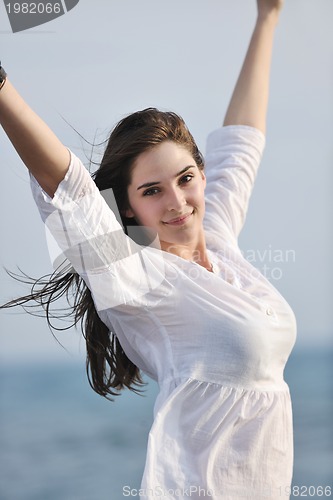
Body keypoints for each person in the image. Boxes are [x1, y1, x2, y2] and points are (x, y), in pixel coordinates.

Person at [0, 0, 297, 498]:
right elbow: (66, 185)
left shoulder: (219, 240)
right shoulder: (139, 278)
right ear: (130, 209)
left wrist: (268, 15)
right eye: (152, 191)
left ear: (202, 176)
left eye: (185, 179)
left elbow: (242, 144)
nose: (178, 202)